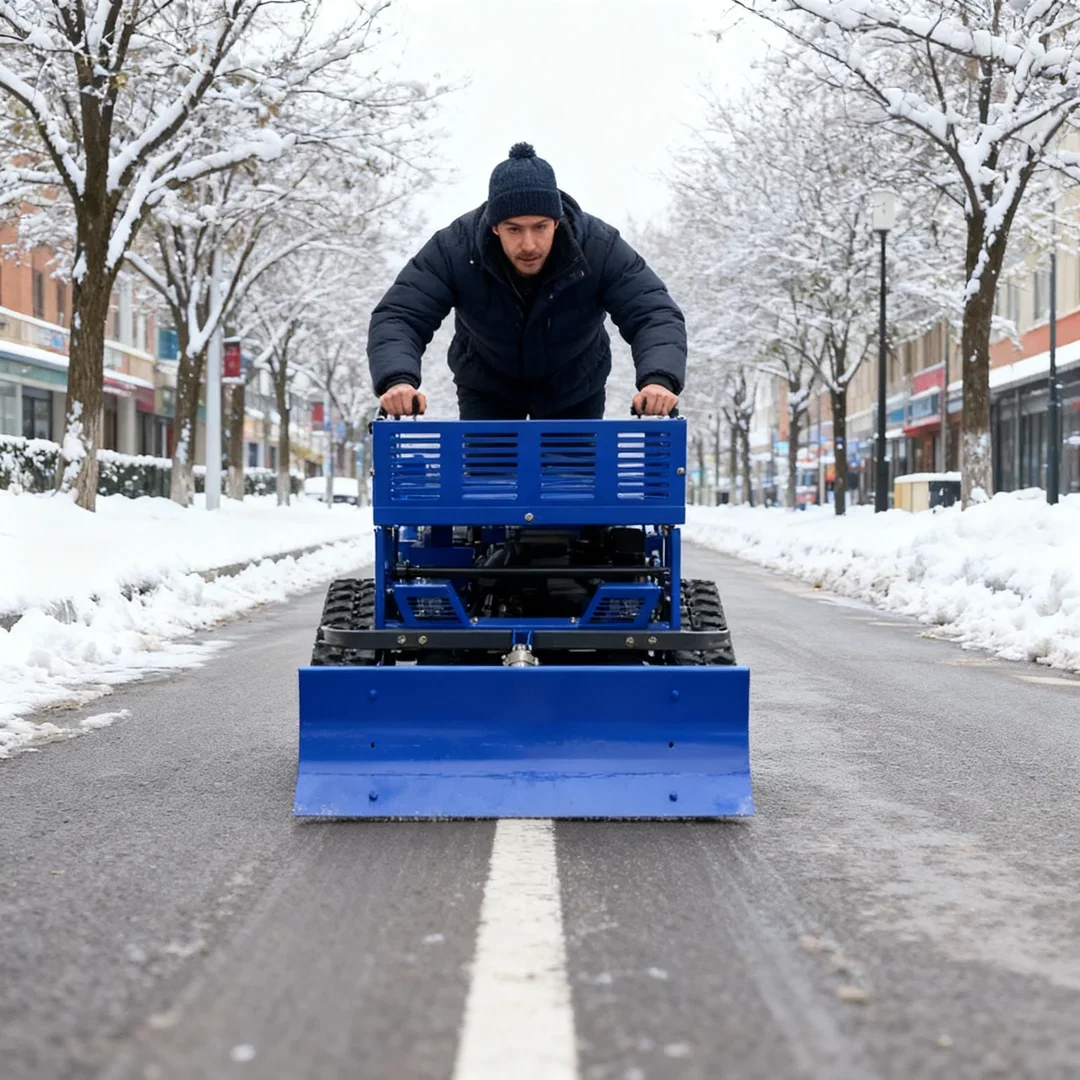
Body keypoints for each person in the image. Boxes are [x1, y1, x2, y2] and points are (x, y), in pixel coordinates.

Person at [368, 142, 686, 419]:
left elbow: (652, 313)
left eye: (540, 227)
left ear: (557, 222)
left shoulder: (599, 248)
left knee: (571, 488)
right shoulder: (455, 248)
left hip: (574, 387)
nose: (529, 245)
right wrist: (398, 380)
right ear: (494, 226)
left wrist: (658, 378)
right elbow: (401, 315)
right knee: (488, 487)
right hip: (487, 387)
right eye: (514, 229)